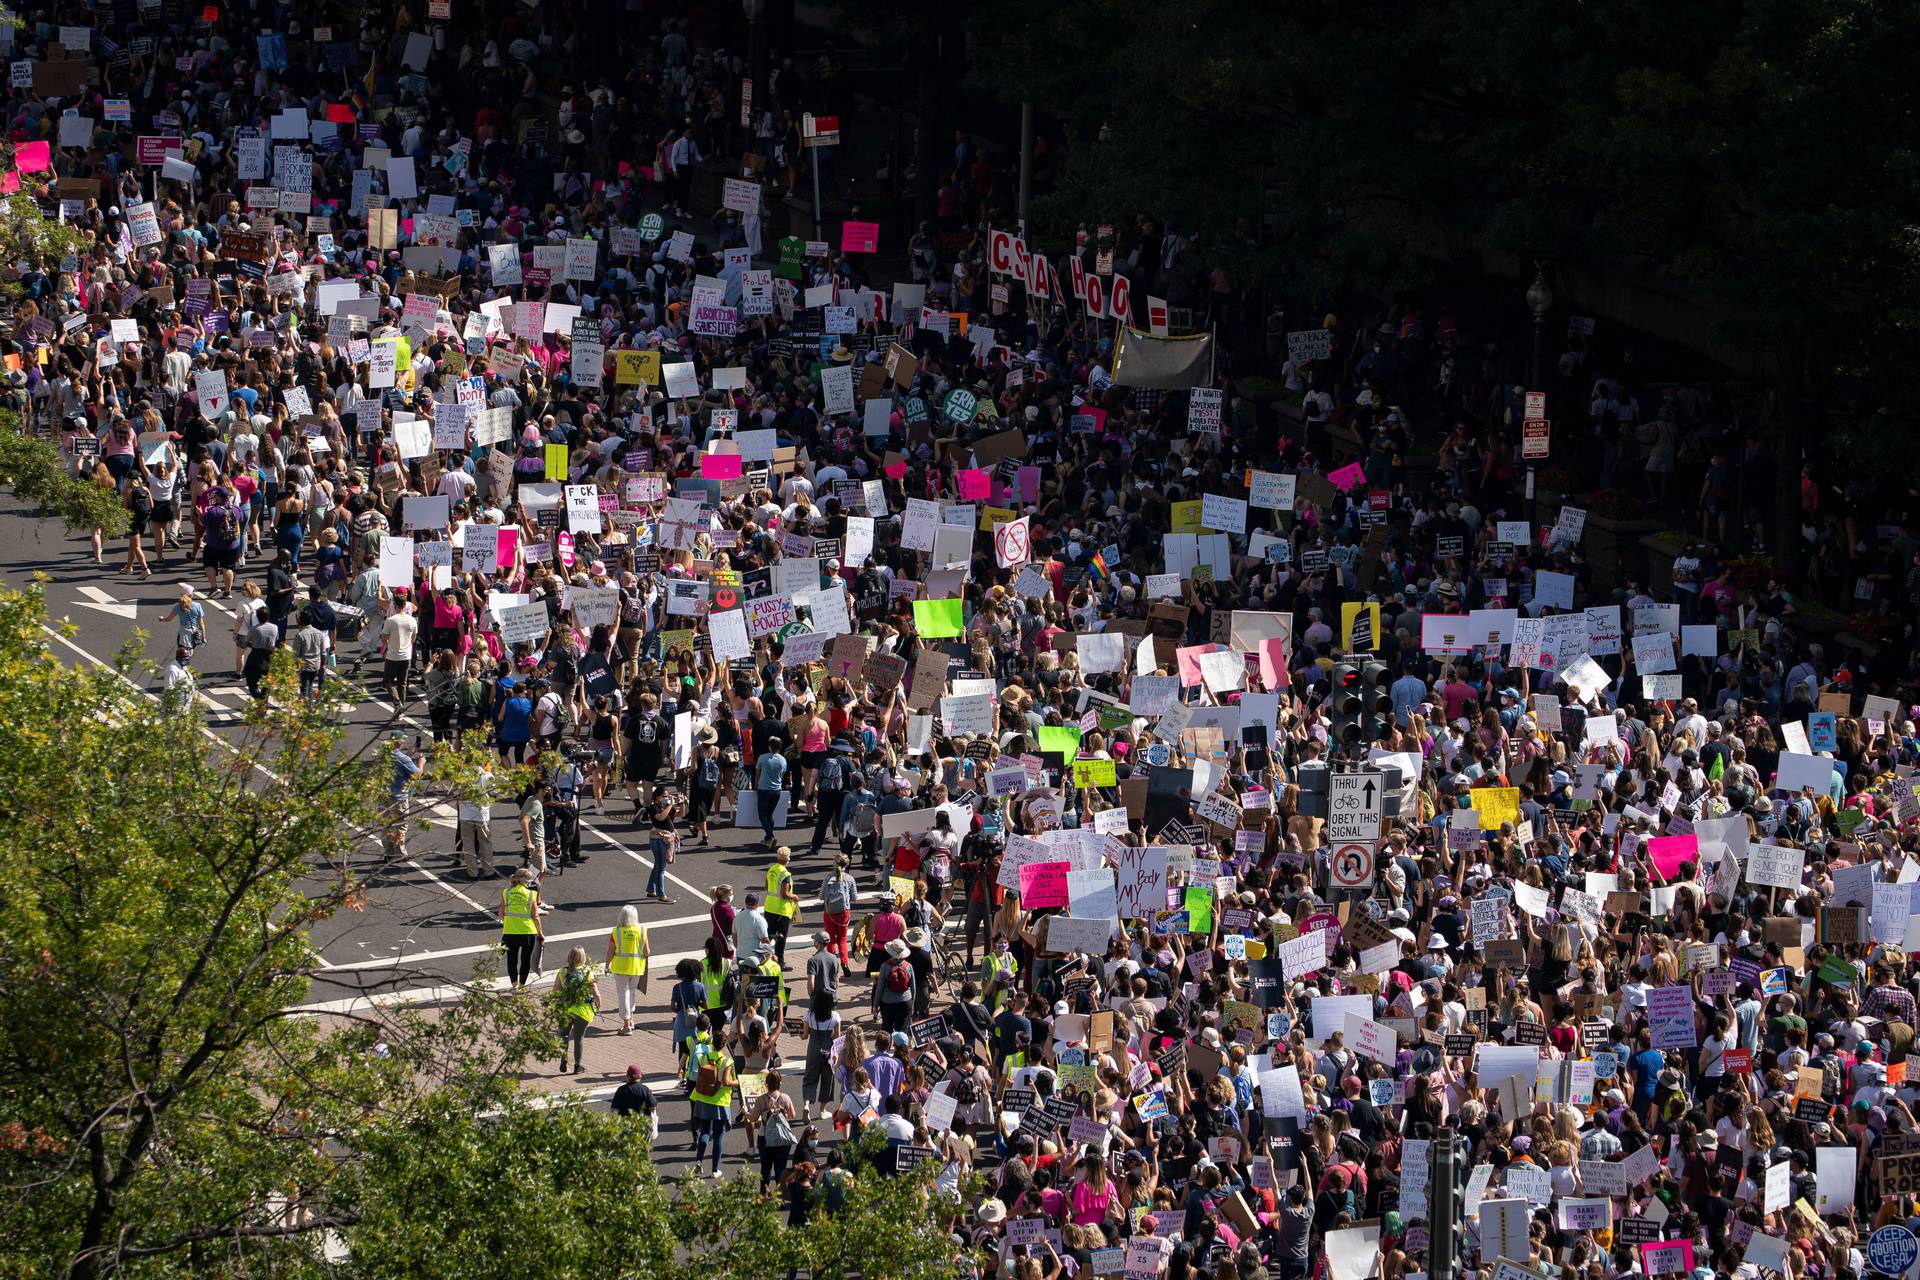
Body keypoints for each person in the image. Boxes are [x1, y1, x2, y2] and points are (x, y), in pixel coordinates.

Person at [686, 1013, 737, 1178]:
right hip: (720, 1101)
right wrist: (740, 1082)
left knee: (705, 1132)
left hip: (703, 1097)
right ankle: (715, 1169)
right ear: (723, 1045)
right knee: (719, 1136)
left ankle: (698, 1162)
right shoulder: (727, 1061)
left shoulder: (704, 1057)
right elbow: (727, 1082)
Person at [746, 1067, 799, 1191]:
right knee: (780, 1168)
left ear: (766, 1084)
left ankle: (764, 1194)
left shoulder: (761, 1100)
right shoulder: (785, 1098)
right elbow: (792, 1115)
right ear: (780, 1083)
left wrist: (745, 1112)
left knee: (766, 1167)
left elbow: (753, 1118)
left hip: (765, 1137)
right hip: (783, 1138)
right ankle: (779, 1196)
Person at [551, 945, 598, 1073]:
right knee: (578, 1038)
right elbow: (595, 993)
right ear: (582, 957)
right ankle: (577, 1066)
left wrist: (555, 1006)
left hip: (566, 1009)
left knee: (563, 1035)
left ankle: (563, 1060)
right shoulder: (588, 972)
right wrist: (598, 1005)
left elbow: (555, 990)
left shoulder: (562, 971)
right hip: (582, 1010)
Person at [604, 905, 650, 1034]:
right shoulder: (642, 930)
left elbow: (610, 952)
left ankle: (626, 1025)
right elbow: (647, 951)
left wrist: (607, 966)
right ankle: (631, 1020)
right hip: (637, 967)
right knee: (632, 992)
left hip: (620, 967)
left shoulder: (617, 931)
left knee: (623, 994)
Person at [499, 868, 544, 989]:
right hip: (528, 932)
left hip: (510, 932)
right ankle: (522, 985)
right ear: (526, 881)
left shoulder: (506, 893)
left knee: (511, 960)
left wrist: (510, 922)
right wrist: (540, 933)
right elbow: (535, 916)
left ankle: (514, 985)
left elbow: (501, 914)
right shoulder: (531, 894)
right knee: (525, 960)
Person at [763, 844, 798, 964]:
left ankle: (763, 957)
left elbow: (767, 886)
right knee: (781, 938)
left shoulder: (771, 869)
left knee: (768, 935)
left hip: (769, 907)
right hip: (781, 910)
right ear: (788, 859)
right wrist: (794, 897)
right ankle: (779, 962)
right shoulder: (785, 875)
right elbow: (784, 894)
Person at [611, 1064, 659, 1142]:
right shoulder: (645, 1089)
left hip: (626, 1125)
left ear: (628, 1076)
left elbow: (614, 1109)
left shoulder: (621, 1090)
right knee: (644, 1148)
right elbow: (653, 1106)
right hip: (643, 1125)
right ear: (640, 1076)